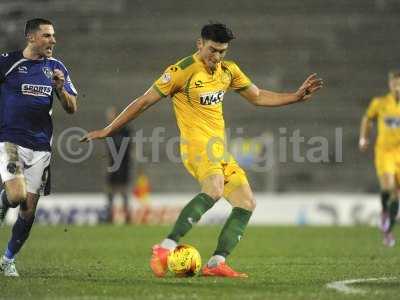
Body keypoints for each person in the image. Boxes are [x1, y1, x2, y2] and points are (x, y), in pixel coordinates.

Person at [81, 23, 322, 277]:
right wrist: (109, 129)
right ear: (200, 44)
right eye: (212, 50)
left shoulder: (229, 70)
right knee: (215, 189)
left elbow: (258, 95)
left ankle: (216, 262)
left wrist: (295, 97)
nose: (217, 57)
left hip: (220, 151)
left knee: (246, 202)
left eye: (222, 51)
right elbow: (143, 102)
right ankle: (165, 247)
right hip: (196, 147)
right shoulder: (181, 71)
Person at [0, 18, 78, 276]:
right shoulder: (8, 62)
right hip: (10, 140)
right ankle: (3, 202)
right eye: (47, 36)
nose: (53, 40)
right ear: (31, 38)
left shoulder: (56, 68)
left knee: (28, 210)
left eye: (53, 36)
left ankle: (7, 259)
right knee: (16, 195)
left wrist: (60, 88)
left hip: (41, 147)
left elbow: (72, 107)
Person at [359, 71, 400, 247]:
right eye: (394, 83)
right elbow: (367, 119)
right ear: (389, 84)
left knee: (397, 195)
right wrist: (364, 138)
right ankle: (384, 212)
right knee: (389, 188)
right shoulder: (380, 103)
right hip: (385, 152)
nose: (397, 87)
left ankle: (388, 231)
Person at [104, 106, 132, 223]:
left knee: (123, 190)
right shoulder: (109, 131)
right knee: (111, 190)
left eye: (111, 116)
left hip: (123, 164)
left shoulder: (125, 130)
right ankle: (109, 216)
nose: (109, 118)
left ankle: (127, 216)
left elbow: (127, 146)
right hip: (113, 164)